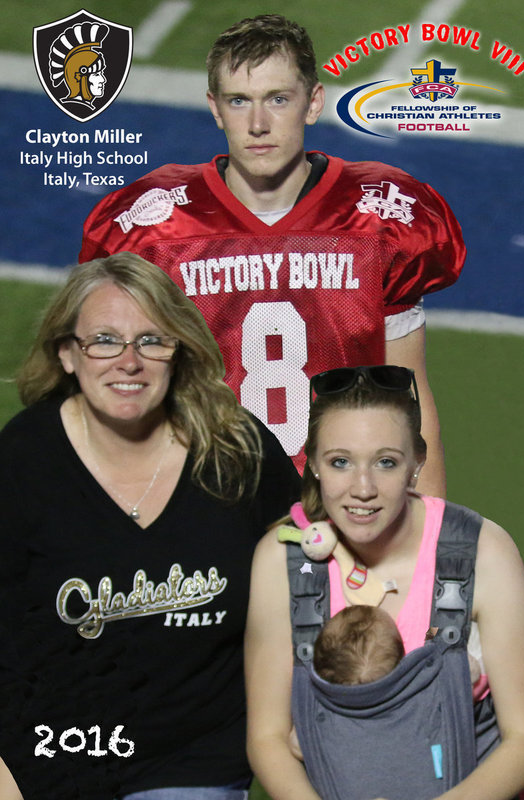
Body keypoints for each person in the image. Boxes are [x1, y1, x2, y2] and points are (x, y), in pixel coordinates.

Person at [79, 14, 467, 493]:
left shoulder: (377, 217)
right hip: (201, 495)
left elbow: (410, 398)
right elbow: (117, 397)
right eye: (239, 101)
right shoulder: (156, 228)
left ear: (313, 102)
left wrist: (427, 532)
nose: (258, 124)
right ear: (215, 109)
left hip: (343, 499)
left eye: (278, 99)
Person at [0, 252, 301, 800]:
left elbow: (315, 577)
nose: (129, 361)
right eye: (105, 340)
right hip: (45, 753)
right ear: (68, 353)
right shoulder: (22, 460)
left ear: (178, 351)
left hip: (193, 760)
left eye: (151, 340)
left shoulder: (238, 451)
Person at [245, 365, 524, 800]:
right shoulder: (282, 560)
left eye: (385, 462)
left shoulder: (482, 551)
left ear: (417, 463)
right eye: (340, 462)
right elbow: (268, 738)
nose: (363, 488)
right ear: (314, 464)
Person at [288, 604, 404, 762]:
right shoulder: (406, 705)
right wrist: (435, 629)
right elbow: (430, 637)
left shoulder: (324, 717)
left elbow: (296, 745)